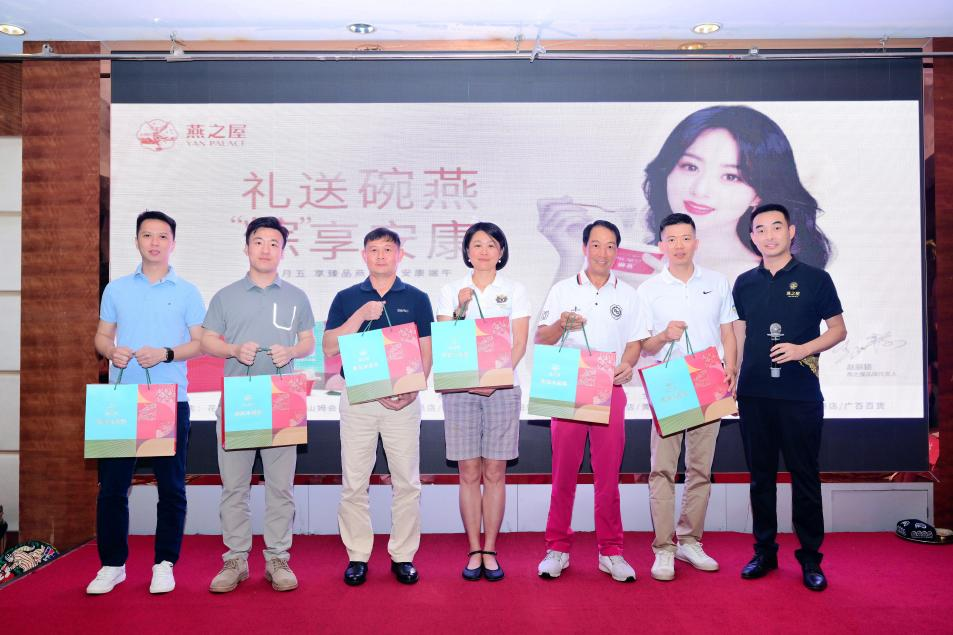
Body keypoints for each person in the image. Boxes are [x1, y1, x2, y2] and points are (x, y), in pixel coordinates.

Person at [539, 105, 832, 287]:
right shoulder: (640, 262)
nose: (700, 189)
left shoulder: (762, 279)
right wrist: (571, 257)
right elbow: (555, 358)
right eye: (690, 167)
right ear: (667, 170)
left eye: (731, 176)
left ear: (758, 193)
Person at [87, 210, 205, 595]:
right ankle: (112, 564)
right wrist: (111, 351)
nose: (154, 242)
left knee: (170, 488)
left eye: (162, 236)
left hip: (170, 400)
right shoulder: (116, 289)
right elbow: (101, 337)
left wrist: (166, 353)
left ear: (173, 243)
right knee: (112, 488)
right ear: (136, 240)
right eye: (147, 235)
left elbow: (200, 343)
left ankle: (164, 563)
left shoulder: (187, 291)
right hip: (122, 402)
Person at [732, 203, 846, 592]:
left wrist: (802, 350)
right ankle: (764, 552)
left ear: (791, 231)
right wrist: (733, 374)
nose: (769, 235)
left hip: (800, 395)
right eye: (761, 229)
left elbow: (838, 330)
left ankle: (811, 558)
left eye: (776, 227)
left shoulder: (816, 279)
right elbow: (740, 333)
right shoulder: (744, 283)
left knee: (805, 475)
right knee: (760, 477)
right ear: (752, 237)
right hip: (754, 394)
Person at [202, 216, 316, 593]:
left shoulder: (296, 296)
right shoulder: (226, 296)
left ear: (283, 251)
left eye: (273, 243)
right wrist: (234, 349)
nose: (266, 249)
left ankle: (278, 559)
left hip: (283, 403)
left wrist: (292, 351)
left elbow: (308, 343)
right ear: (247, 247)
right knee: (234, 488)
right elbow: (207, 341)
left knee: (280, 489)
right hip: (239, 402)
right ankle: (235, 560)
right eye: (259, 242)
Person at [535, 220, 648, 583]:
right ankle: (557, 548)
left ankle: (611, 551)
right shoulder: (563, 289)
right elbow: (542, 337)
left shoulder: (628, 294)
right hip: (569, 388)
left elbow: (635, 342)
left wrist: (627, 365)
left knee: (608, 477)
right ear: (584, 248)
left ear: (617, 250)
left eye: (610, 246)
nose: (603, 253)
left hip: (610, 389)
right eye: (596, 245)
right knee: (563, 474)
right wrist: (562, 325)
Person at [323, 228, 434, 586]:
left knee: (407, 483)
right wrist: (360, 315)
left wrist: (413, 389)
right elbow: (328, 347)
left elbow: (426, 348)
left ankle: (403, 555)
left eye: (388, 249)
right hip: (359, 399)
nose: (381, 255)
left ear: (400, 255)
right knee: (354, 483)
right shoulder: (346, 297)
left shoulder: (417, 298)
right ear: (364, 255)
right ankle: (357, 555)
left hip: (403, 402)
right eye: (374, 250)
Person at [636, 212, 738, 581]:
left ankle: (690, 540)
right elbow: (644, 346)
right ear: (661, 245)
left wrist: (731, 367)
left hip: (709, 380)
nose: (679, 245)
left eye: (685, 238)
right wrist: (664, 335)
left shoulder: (717, 281)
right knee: (662, 468)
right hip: (670, 382)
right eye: (671, 239)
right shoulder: (648, 289)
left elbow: (728, 332)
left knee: (700, 468)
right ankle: (663, 548)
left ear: (696, 242)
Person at [435, 222, 530, 582]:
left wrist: (495, 379)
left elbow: (519, 342)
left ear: (501, 251)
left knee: (495, 472)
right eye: (477, 244)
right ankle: (473, 548)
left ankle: (490, 548)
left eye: (492, 244)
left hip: (502, 389)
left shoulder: (516, 290)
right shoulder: (451, 290)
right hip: (460, 391)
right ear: (467, 251)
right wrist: (461, 307)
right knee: (468, 472)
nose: (484, 251)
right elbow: (448, 341)